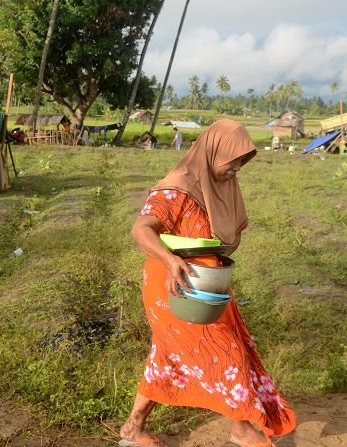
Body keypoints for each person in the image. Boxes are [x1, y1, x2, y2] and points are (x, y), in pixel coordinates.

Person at [120, 120, 297, 447]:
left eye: (243, 162)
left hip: (207, 283)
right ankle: (241, 428)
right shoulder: (177, 187)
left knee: (168, 355)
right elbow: (141, 229)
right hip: (171, 282)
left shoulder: (220, 185)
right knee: (226, 350)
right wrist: (172, 260)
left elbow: (228, 236)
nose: (237, 168)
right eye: (234, 160)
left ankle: (133, 429)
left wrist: (214, 249)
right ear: (214, 151)